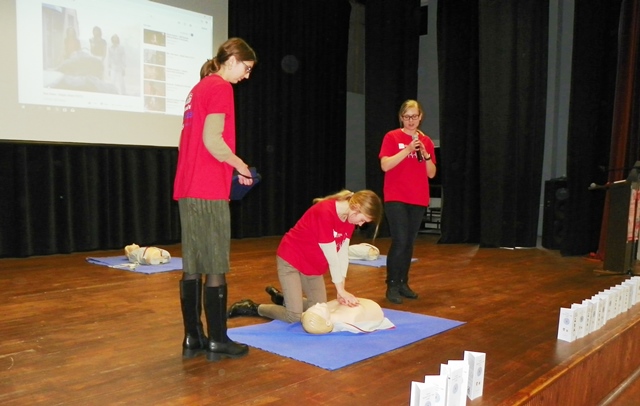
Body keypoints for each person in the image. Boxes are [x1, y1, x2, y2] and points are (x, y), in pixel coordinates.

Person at [173, 37, 257, 362]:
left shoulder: (198, 88)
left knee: (193, 264)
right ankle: (218, 340)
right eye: (246, 68)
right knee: (215, 265)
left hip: (188, 186)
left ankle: (193, 337)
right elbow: (212, 140)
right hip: (207, 188)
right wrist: (240, 164)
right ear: (232, 60)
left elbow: (189, 141)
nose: (247, 76)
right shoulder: (221, 87)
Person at [227, 189, 383, 323]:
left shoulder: (348, 218)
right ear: (356, 208)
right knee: (294, 316)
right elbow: (332, 258)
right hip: (291, 259)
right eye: (362, 220)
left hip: (312, 266)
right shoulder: (325, 212)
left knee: (320, 309)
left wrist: (341, 289)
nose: (360, 225)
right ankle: (253, 307)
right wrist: (341, 291)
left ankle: (284, 300)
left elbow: (342, 255)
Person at [379, 99, 437, 304]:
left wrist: (426, 155)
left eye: (414, 116)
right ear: (401, 118)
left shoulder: (426, 141)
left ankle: (403, 282)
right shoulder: (392, 137)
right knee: (400, 240)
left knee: (409, 243)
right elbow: (385, 165)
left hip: (418, 197)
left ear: (420, 117)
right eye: (407, 116)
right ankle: (392, 284)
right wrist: (407, 149)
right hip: (396, 196)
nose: (411, 120)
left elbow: (432, 173)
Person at [301, 298, 395, 334]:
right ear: (327, 322)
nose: (318, 304)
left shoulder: (328, 311)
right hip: (369, 307)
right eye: (319, 309)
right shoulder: (351, 316)